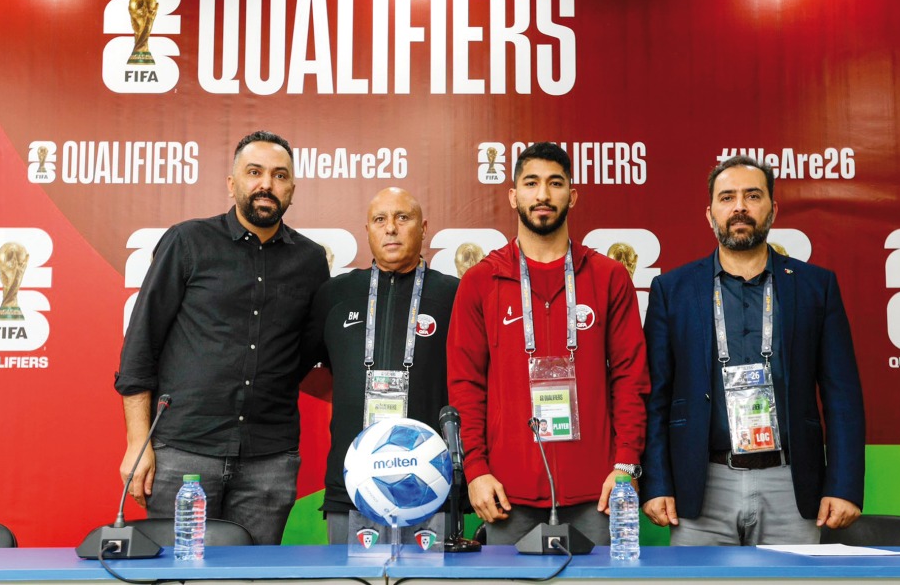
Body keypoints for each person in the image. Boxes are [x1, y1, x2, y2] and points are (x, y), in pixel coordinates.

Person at [114, 130, 330, 545]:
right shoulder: (188, 241)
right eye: (254, 172)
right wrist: (138, 443)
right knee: (176, 576)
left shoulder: (310, 260)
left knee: (254, 580)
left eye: (279, 175)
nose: (266, 184)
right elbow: (141, 344)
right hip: (183, 452)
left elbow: (304, 352)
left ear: (292, 190)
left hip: (270, 458)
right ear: (232, 183)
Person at [641, 155, 865, 546]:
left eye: (753, 196)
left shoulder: (815, 287)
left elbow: (841, 395)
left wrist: (844, 484)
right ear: (709, 213)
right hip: (701, 486)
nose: (740, 207)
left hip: (791, 485)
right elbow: (655, 396)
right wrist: (657, 481)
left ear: (773, 210)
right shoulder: (673, 290)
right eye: (727, 198)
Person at [447, 142, 650, 546]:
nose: (543, 195)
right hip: (505, 493)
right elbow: (465, 385)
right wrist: (476, 470)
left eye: (555, 183)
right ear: (513, 195)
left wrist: (625, 463)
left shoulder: (608, 277)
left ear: (572, 195)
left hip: (598, 493)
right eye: (531, 183)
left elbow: (631, 378)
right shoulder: (481, 281)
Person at [300, 187, 459, 543]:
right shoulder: (335, 295)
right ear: (367, 229)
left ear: (424, 228)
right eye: (380, 220)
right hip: (353, 489)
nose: (391, 228)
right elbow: (292, 367)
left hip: (431, 486)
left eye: (403, 218)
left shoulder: (455, 296)